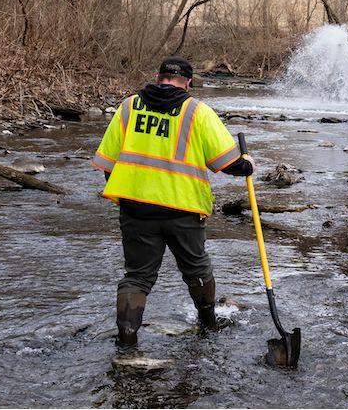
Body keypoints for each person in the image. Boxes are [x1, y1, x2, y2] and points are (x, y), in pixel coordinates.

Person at [91, 57, 253, 349]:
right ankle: (208, 325)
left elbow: (107, 163)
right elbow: (227, 163)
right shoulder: (197, 112)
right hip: (183, 208)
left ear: (158, 76)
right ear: (188, 82)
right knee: (197, 270)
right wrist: (247, 165)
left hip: (136, 208)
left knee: (137, 277)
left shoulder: (128, 107)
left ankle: (127, 342)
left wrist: (127, 198)